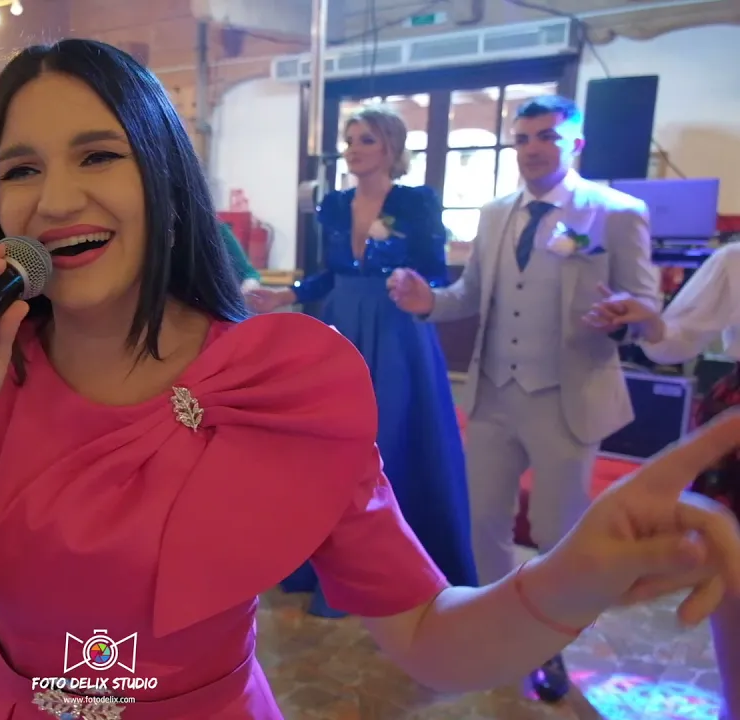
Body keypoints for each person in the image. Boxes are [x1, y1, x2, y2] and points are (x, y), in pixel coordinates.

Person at [0, 41, 740, 718]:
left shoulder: (275, 386)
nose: (53, 201)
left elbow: (426, 632)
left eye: (97, 155)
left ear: (164, 175)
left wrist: (572, 576)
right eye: (21, 169)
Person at [386, 95, 663, 702]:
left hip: (568, 396)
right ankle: (502, 630)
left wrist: (629, 316)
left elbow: (648, 307)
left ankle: (549, 645)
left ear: (575, 145)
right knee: (484, 522)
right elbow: (469, 295)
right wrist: (428, 302)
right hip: (494, 393)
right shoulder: (494, 214)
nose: (533, 148)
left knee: (557, 532)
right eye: (524, 137)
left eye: (547, 137)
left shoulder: (617, 212)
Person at [248, 107, 477, 617]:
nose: (353, 148)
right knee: (335, 442)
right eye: (349, 139)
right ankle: (332, 566)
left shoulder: (416, 203)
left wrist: (415, 283)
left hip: (396, 331)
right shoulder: (334, 205)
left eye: (366, 139)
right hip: (342, 324)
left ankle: (399, 569)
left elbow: (436, 275)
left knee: (391, 439)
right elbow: (328, 275)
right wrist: (286, 294)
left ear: (391, 148)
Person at [584, 242, 740, 717]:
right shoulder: (734, 261)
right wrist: (650, 322)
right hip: (736, 430)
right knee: (731, 569)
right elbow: (676, 338)